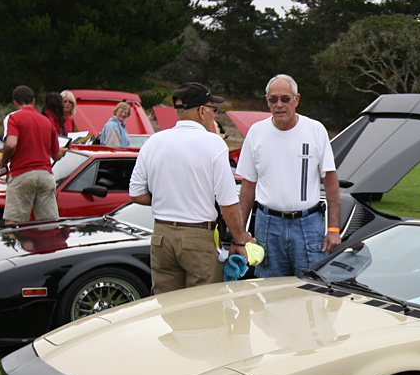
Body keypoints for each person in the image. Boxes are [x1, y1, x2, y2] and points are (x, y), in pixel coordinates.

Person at [129, 81, 250, 295]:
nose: (215, 115)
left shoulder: (154, 141)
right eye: (214, 109)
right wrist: (239, 241)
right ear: (202, 110)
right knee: (201, 309)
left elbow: (136, 194)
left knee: (166, 305)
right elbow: (228, 203)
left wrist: (167, 198)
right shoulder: (213, 144)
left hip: (161, 236)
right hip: (197, 236)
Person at [235, 74, 341, 278]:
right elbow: (248, 187)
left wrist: (333, 228)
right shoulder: (256, 133)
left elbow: (331, 183)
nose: (279, 105)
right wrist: (240, 234)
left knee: (310, 290)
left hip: (308, 225)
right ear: (267, 101)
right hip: (267, 226)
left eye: (285, 99)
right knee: (269, 292)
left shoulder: (315, 130)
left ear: (297, 99)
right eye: (273, 100)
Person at [0, 85, 65, 225]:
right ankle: (49, 246)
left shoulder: (14, 118)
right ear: (33, 101)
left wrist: (3, 160)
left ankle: (15, 245)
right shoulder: (46, 121)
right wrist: (63, 151)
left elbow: (10, 144)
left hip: (22, 174)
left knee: (13, 224)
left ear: (15, 103)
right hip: (45, 176)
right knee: (49, 224)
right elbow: (56, 155)